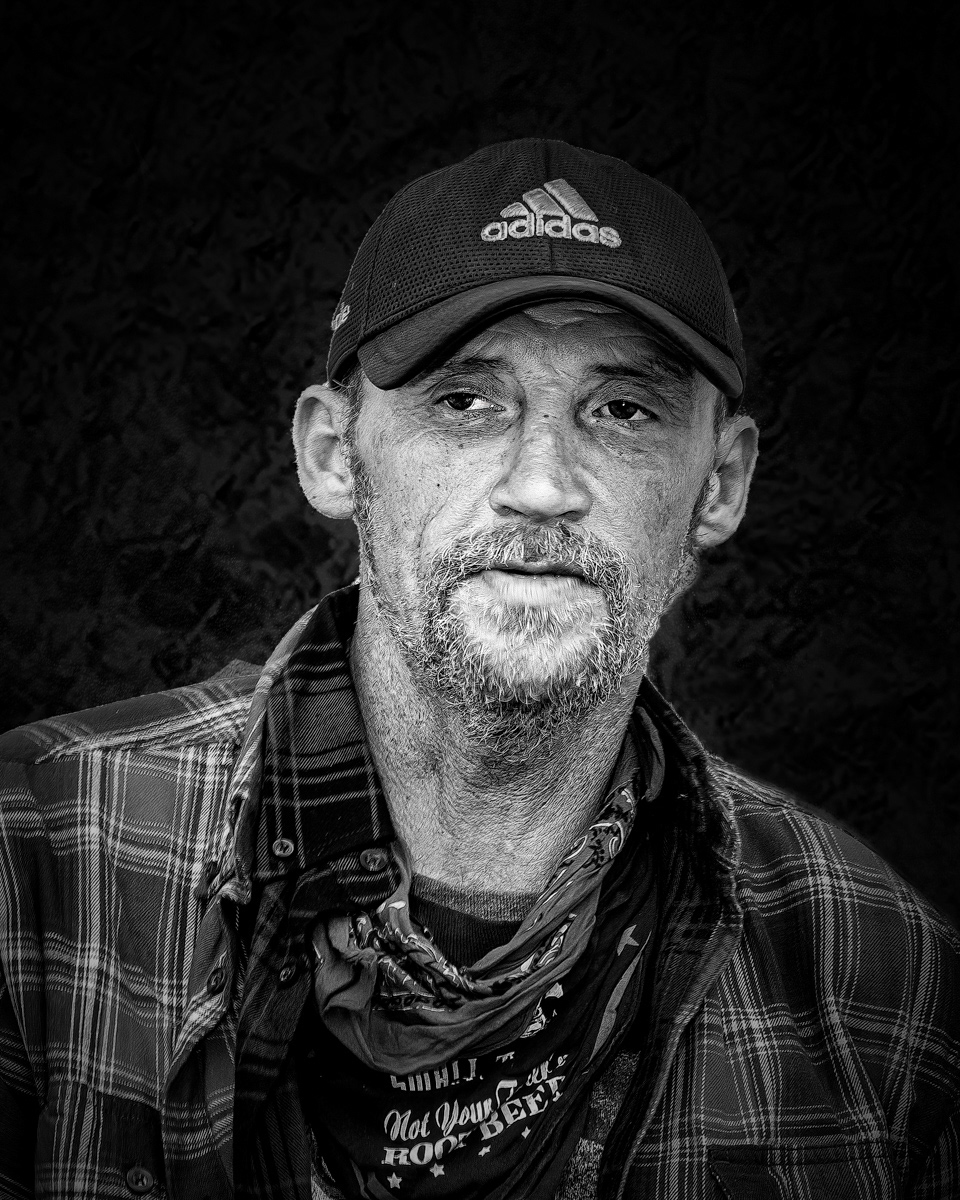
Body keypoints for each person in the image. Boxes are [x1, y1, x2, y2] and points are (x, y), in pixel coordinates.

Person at [1, 138, 957, 1200]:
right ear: (333, 454)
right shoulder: (40, 859)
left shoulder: (880, 975)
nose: (542, 486)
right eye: (465, 401)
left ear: (720, 483)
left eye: (622, 410)